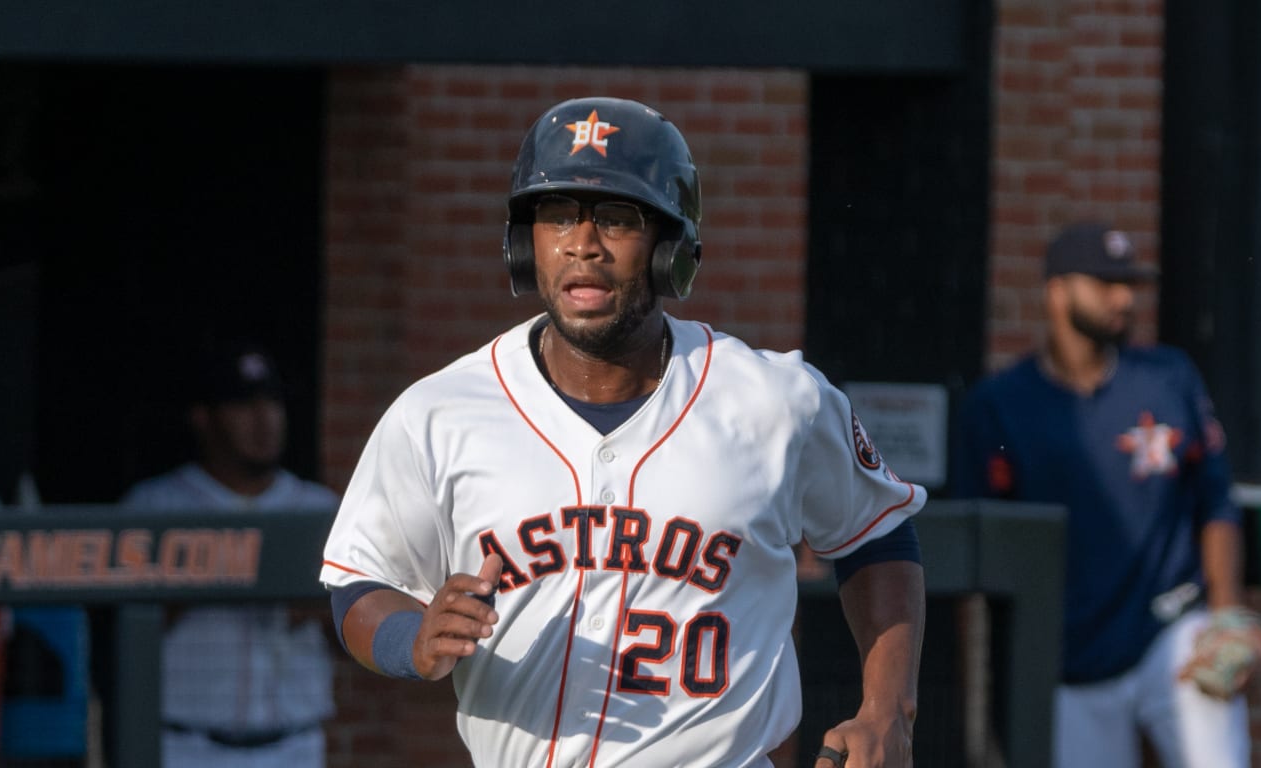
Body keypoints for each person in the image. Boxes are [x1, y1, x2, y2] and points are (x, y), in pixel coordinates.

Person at [320, 96, 927, 768]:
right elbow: (357, 581)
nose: (582, 243)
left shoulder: (774, 400)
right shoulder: (439, 412)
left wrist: (887, 709)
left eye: (616, 217)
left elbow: (877, 533)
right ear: (525, 244)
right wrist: (412, 639)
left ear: (673, 247)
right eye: (555, 216)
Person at [952, 222, 1261, 767]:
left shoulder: (1168, 377)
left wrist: (1226, 616)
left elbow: (1215, 502)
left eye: (1129, 284)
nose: (1123, 297)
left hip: (1170, 629)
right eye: (1105, 283)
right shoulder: (1000, 404)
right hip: (1068, 657)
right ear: (1057, 291)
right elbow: (974, 560)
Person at [123, 341, 338, 767]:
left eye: (273, 403)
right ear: (203, 418)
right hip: (188, 744)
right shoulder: (155, 506)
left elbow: (363, 637)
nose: (264, 420)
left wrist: (315, 605)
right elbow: (120, 635)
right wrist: (203, 576)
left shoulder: (321, 511)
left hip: (293, 744)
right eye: (243, 406)